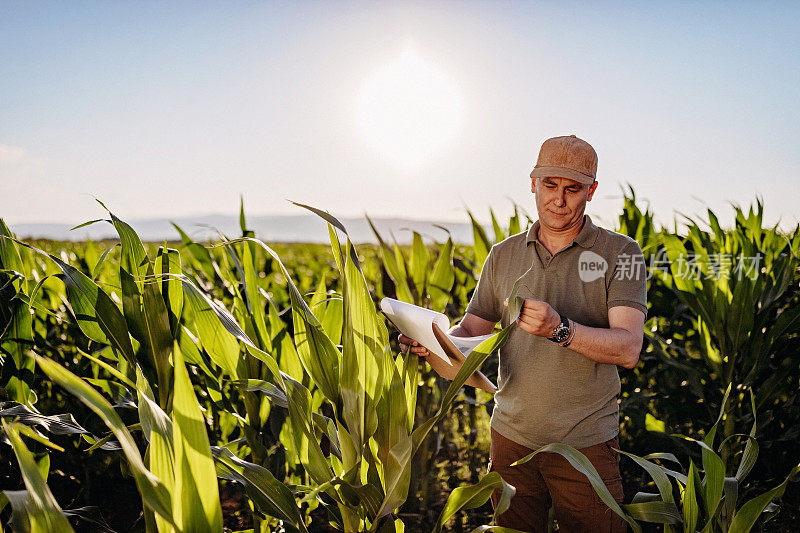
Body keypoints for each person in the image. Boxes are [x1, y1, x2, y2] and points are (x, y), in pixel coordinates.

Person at [399, 135, 647, 532]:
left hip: (584, 443)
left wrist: (560, 329)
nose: (559, 200)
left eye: (573, 189)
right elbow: (469, 334)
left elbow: (629, 348)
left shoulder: (623, 253)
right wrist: (429, 344)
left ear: (592, 191)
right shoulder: (503, 254)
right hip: (510, 440)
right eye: (549, 185)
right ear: (533, 183)